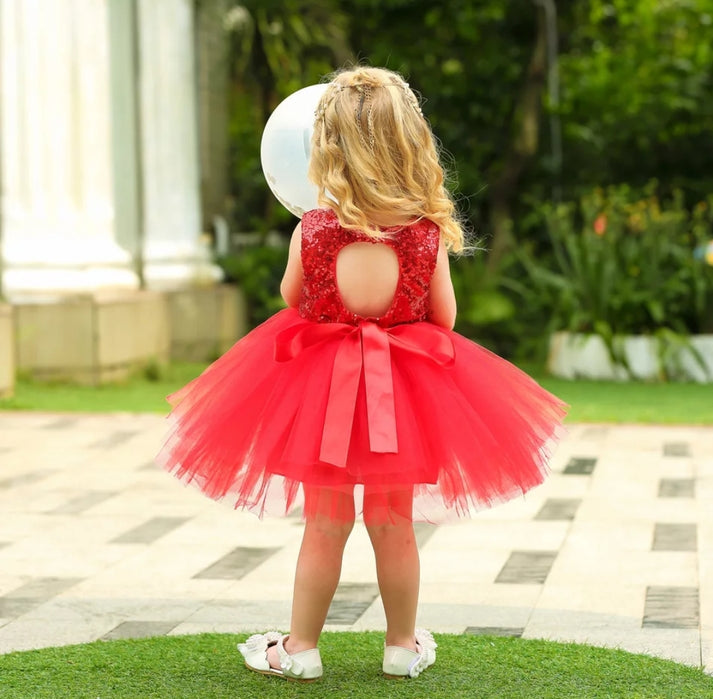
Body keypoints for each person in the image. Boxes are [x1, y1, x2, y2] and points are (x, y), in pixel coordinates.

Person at [157, 66, 567, 683]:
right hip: (399, 393)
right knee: (393, 522)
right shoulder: (425, 235)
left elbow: (292, 297)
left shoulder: (314, 229)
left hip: (323, 393)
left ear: (328, 149)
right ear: (409, 144)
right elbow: (445, 319)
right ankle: (402, 646)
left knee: (325, 524)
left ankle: (300, 649)